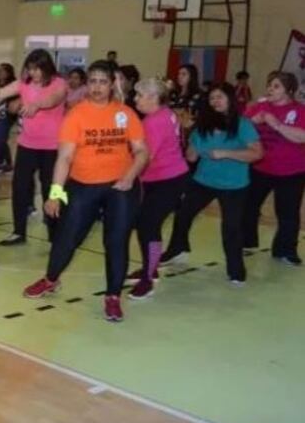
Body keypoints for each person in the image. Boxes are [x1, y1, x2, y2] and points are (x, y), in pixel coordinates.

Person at [22, 61, 148, 322]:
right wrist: (55, 193)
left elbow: (141, 151)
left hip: (120, 186)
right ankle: (51, 279)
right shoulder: (76, 115)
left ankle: (113, 296)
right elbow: (65, 157)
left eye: (103, 81)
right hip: (82, 186)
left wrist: (129, 176)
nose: (97, 87)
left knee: (116, 242)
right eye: (92, 81)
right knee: (67, 237)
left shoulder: (125, 114)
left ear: (113, 83)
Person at [160, 83, 262, 285]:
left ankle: (236, 269)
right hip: (203, 181)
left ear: (230, 99)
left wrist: (227, 153)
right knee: (183, 215)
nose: (215, 101)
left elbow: (257, 153)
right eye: (212, 97)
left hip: (234, 185)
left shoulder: (242, 124)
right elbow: (191, 157)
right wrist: (186, 133)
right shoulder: (203, 125)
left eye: (220, 97)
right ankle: (177, 249)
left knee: (231, 228)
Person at [0, 49, 68, 246]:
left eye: (38, 69)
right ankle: (19, 231)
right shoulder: (23, 84)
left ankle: (55, 232)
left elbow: (54, 99)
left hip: (53, 147)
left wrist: (37, 104)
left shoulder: (59, 83)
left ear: (47, 68)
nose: (34, 73)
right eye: (30, 69)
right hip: (27, 144)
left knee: (52, 189)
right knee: (20, 187)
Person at [125, 79, 189, 299]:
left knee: (148, 226)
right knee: (145, 225)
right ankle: (148, 268)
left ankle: (149, 277)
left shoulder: (155, 122)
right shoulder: (165, 113)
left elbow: (145, 158)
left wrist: (124, 176)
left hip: (168, 180)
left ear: (153, 98)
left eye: (139, 95)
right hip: (161, 179)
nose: (135, 99)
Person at [242, 72, 305, 266]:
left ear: (289, 90)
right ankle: (247, 241)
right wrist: (253, 122)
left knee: (287, 212)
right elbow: (239, 130)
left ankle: (285, 250)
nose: (270, 89)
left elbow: (302, 137)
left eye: (276, 86)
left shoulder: (299, 110)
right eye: (270, 85)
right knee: (248, 206)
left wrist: (276, 124)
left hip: (291, 171)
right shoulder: (259, 108)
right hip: (260, 167)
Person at [0, 63, 19, 172]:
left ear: (8, 73)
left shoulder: (13, 86)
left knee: (1, 139)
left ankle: (4, 162)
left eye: (1, 71)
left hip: (6, 117)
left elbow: (13, 105)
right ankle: (2, 162)